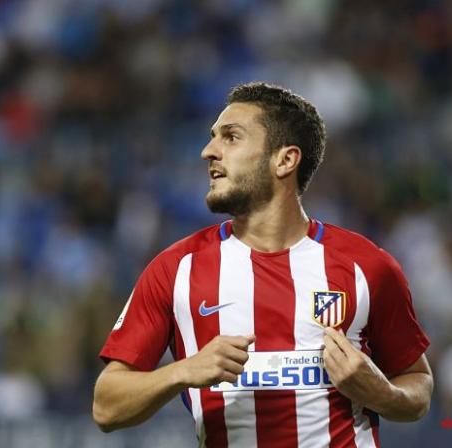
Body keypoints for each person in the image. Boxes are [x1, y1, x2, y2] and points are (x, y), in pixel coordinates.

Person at [93, 82, 433, 447]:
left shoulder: (367, 266)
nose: (209, 151)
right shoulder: (176, 270)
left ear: (285, 160)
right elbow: (106, 406)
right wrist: (183, 371)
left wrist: (381, 393)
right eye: (213, 138)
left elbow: (418, 385)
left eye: (231, 137)